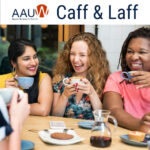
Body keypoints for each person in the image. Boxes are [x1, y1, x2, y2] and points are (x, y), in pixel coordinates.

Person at [52, 32, 110, 119]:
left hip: (91, 131)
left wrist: (92, 93)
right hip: (67, 131)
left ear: (94, 57)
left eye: (82, 55)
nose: (75, 60)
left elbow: (103, 118)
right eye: (72, 54)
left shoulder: (104, 81)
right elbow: (55, 116)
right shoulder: (60, 79)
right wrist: (64, 96)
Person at [103, 27, 150, 130]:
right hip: (127, 137)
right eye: (130, 51)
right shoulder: (116, 78)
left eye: (142, 52)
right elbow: (113, 110)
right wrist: (141, 126)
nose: (134, 57)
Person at [0, 39, 53, 116]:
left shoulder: (43, 78)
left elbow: (43, 110)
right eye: (26, 59)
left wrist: (13, 104)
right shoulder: (2, 80)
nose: (33, 63)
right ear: (14, 63)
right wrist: (7, 95)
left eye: (35, 57)